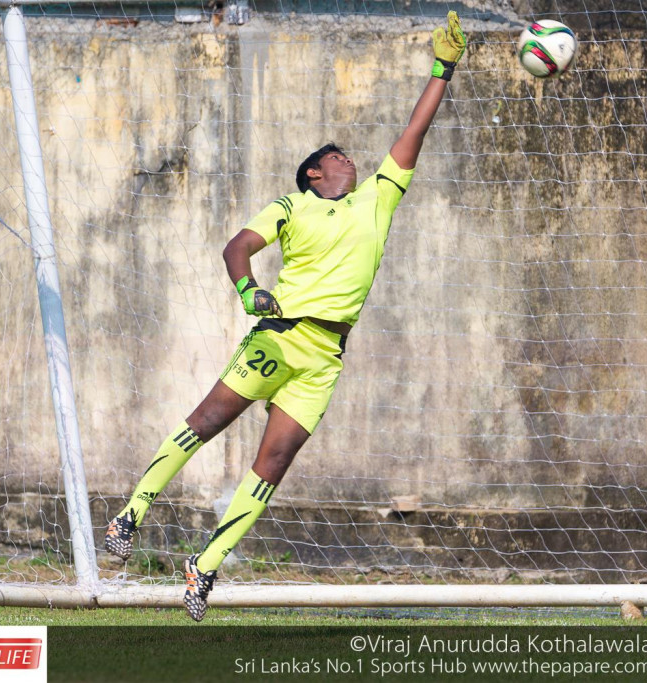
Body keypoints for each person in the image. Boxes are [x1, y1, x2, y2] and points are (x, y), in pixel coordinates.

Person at [106, 12, 467, 622]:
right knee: (208, 420)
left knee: (272, 464)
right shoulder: (293, 206)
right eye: (337, 156)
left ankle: (205, 565)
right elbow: (237, 248)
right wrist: (249, 292)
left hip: (325, 357)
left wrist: (443, 68)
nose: (350, 159)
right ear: (314, 173)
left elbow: (415, 129)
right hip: (281, 335)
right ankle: (131, 513)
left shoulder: (378, 199)